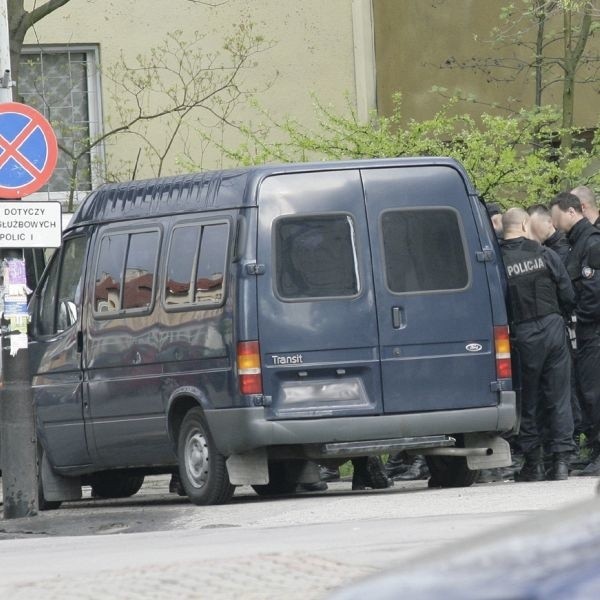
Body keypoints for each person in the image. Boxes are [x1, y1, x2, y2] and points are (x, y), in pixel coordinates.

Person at [501, 208, 576, 481]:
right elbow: (567, 292)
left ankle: (534, 463)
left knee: (528, 399)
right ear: (524, 223)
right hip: (553, 328)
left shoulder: (498, 261)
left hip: (522, 333)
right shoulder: (545, 254)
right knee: (558, 397)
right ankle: (561, 462)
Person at [550, 192, 600, 475]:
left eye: (558, 219)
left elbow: (594, 292)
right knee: (587, 391)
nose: (558, 225)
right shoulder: (577, 243)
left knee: (595, 391)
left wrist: (578, 315)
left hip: (593, 327)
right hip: (586, 328)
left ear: (572, 211)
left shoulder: (591, 242)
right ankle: (594, 447)